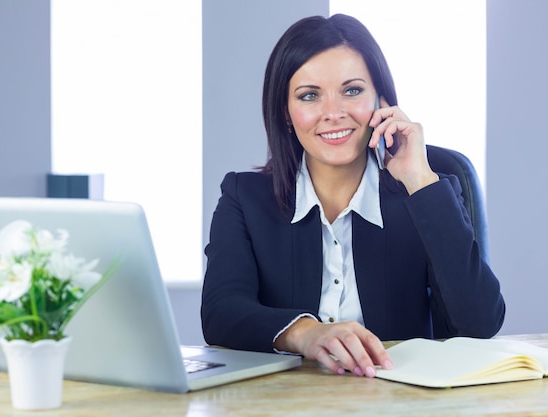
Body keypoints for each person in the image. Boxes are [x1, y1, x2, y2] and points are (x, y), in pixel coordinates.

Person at [201, 13, 505, 379]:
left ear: (381, 99)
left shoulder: (423, 194)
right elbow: (221, 313)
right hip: (285, 404)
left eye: (352, 90)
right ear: (285, 111)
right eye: (310, 95)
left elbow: (480, 323)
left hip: (400, 403)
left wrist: (420, 180)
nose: (333, 113)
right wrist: (307, 333)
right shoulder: (244, 198)